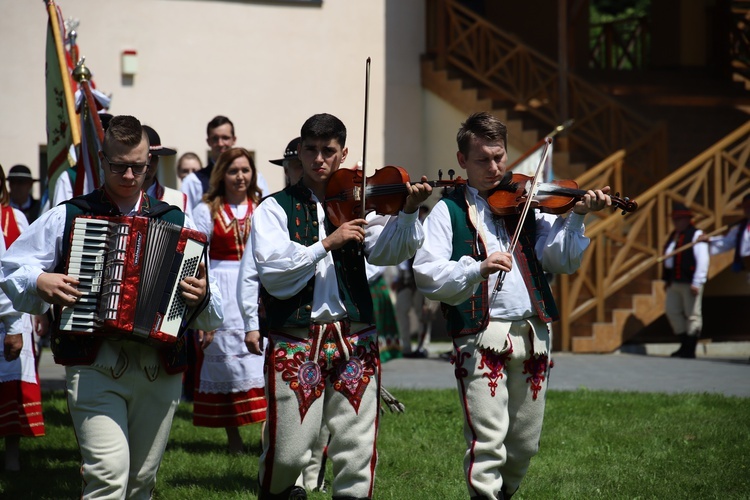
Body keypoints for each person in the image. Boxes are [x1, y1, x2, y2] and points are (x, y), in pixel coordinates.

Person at [0, 115, 223, 498]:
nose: (129, 174)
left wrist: (200, 295)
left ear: (150, 163)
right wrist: (40, 280)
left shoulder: (174, 219)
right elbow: (10, 269)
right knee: (107, 476)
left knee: (141, 482)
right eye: (119, 165)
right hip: (93, 364)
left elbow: (209, 308)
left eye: (138, 166)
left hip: (159, 368)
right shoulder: (70, 214)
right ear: (102, 160)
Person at [412, 111, 611, 500]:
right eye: (483, 159)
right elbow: (427, 274)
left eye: (500, 157)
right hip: (481, 333)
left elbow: (561, 261)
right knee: (488, 440)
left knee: (524, 443)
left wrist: (578, 217)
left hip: (534, 332)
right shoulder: (446, 210)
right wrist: (476, 269)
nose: (495, 167)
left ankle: (504, 494)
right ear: (462, 160)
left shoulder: (528, 203)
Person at [249, 113, 431, 499]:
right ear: (299, 150)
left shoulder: (361, 202)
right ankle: (280, 492)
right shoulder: (274, 208)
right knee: (289, 450)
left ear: (343, 153)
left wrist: (410, 211)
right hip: (297, 336)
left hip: (354, 334)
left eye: (328, 151)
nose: (319, 159)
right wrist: (327, 243)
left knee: (356, 445)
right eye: (311, 149)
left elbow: (388, 251)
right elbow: (274, 273)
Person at [191, 147, 266, 453]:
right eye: (234, 170)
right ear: (222, 174)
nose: (240, 177)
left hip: (256, 289)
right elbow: (197, 257)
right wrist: (203, 302)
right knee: (225, 366)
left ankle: (266, 437)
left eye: (245, 170)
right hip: (220, 289)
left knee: (263, 361)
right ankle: (233, 439)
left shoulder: (262, 208)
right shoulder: (206, 210)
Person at [0, 164, 44, 472]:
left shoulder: (15, 218)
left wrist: (15, 324)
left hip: (10, 315)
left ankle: (12, 459)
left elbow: (15, 273)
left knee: (12, 384)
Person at [181, 115, 269, 215]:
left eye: (225, 138)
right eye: (215, 139)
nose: (221, 143)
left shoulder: (255, 177)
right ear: (208, 141)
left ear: (234, 139)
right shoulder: (193, 181)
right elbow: (187, 220)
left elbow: (264, 209)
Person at [662, 203, 709, 359]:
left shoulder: (696, 235)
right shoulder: (674, 236)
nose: (676, 222)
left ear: (688, 219)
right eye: (675, 219)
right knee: (672, 311)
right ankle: (684, 344)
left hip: (690, 282)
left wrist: (697, 281)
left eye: (680, 219)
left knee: (693, 314)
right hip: (675, 282)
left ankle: (690, 347)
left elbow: (703, 260)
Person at [701, 193, 750, 276]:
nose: (747, 209)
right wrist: (709, 240)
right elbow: (727, 241)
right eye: (745, 207)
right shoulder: (742, 227)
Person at [142, 125, 187, 210]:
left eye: (154, 158)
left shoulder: (178, 198)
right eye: (145, 158)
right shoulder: (120, 196)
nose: (149, 163)